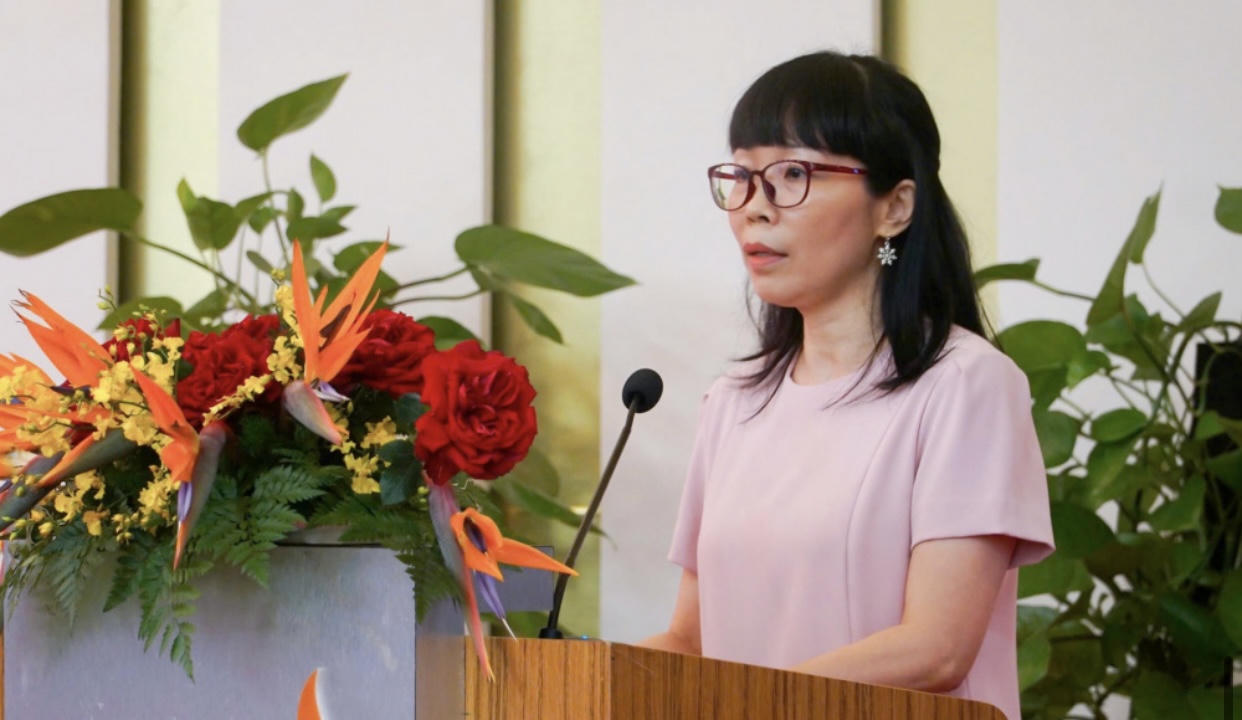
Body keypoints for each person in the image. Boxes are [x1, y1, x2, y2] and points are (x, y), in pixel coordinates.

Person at [639, 51, 1055, 720]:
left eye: (792, 174)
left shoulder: (965, 385)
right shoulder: (734, 401)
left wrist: (746, 704)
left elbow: (937, 649)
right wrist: (580, 682)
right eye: (740, 176)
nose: (754, 209)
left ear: (894, 207)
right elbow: (691, 641)